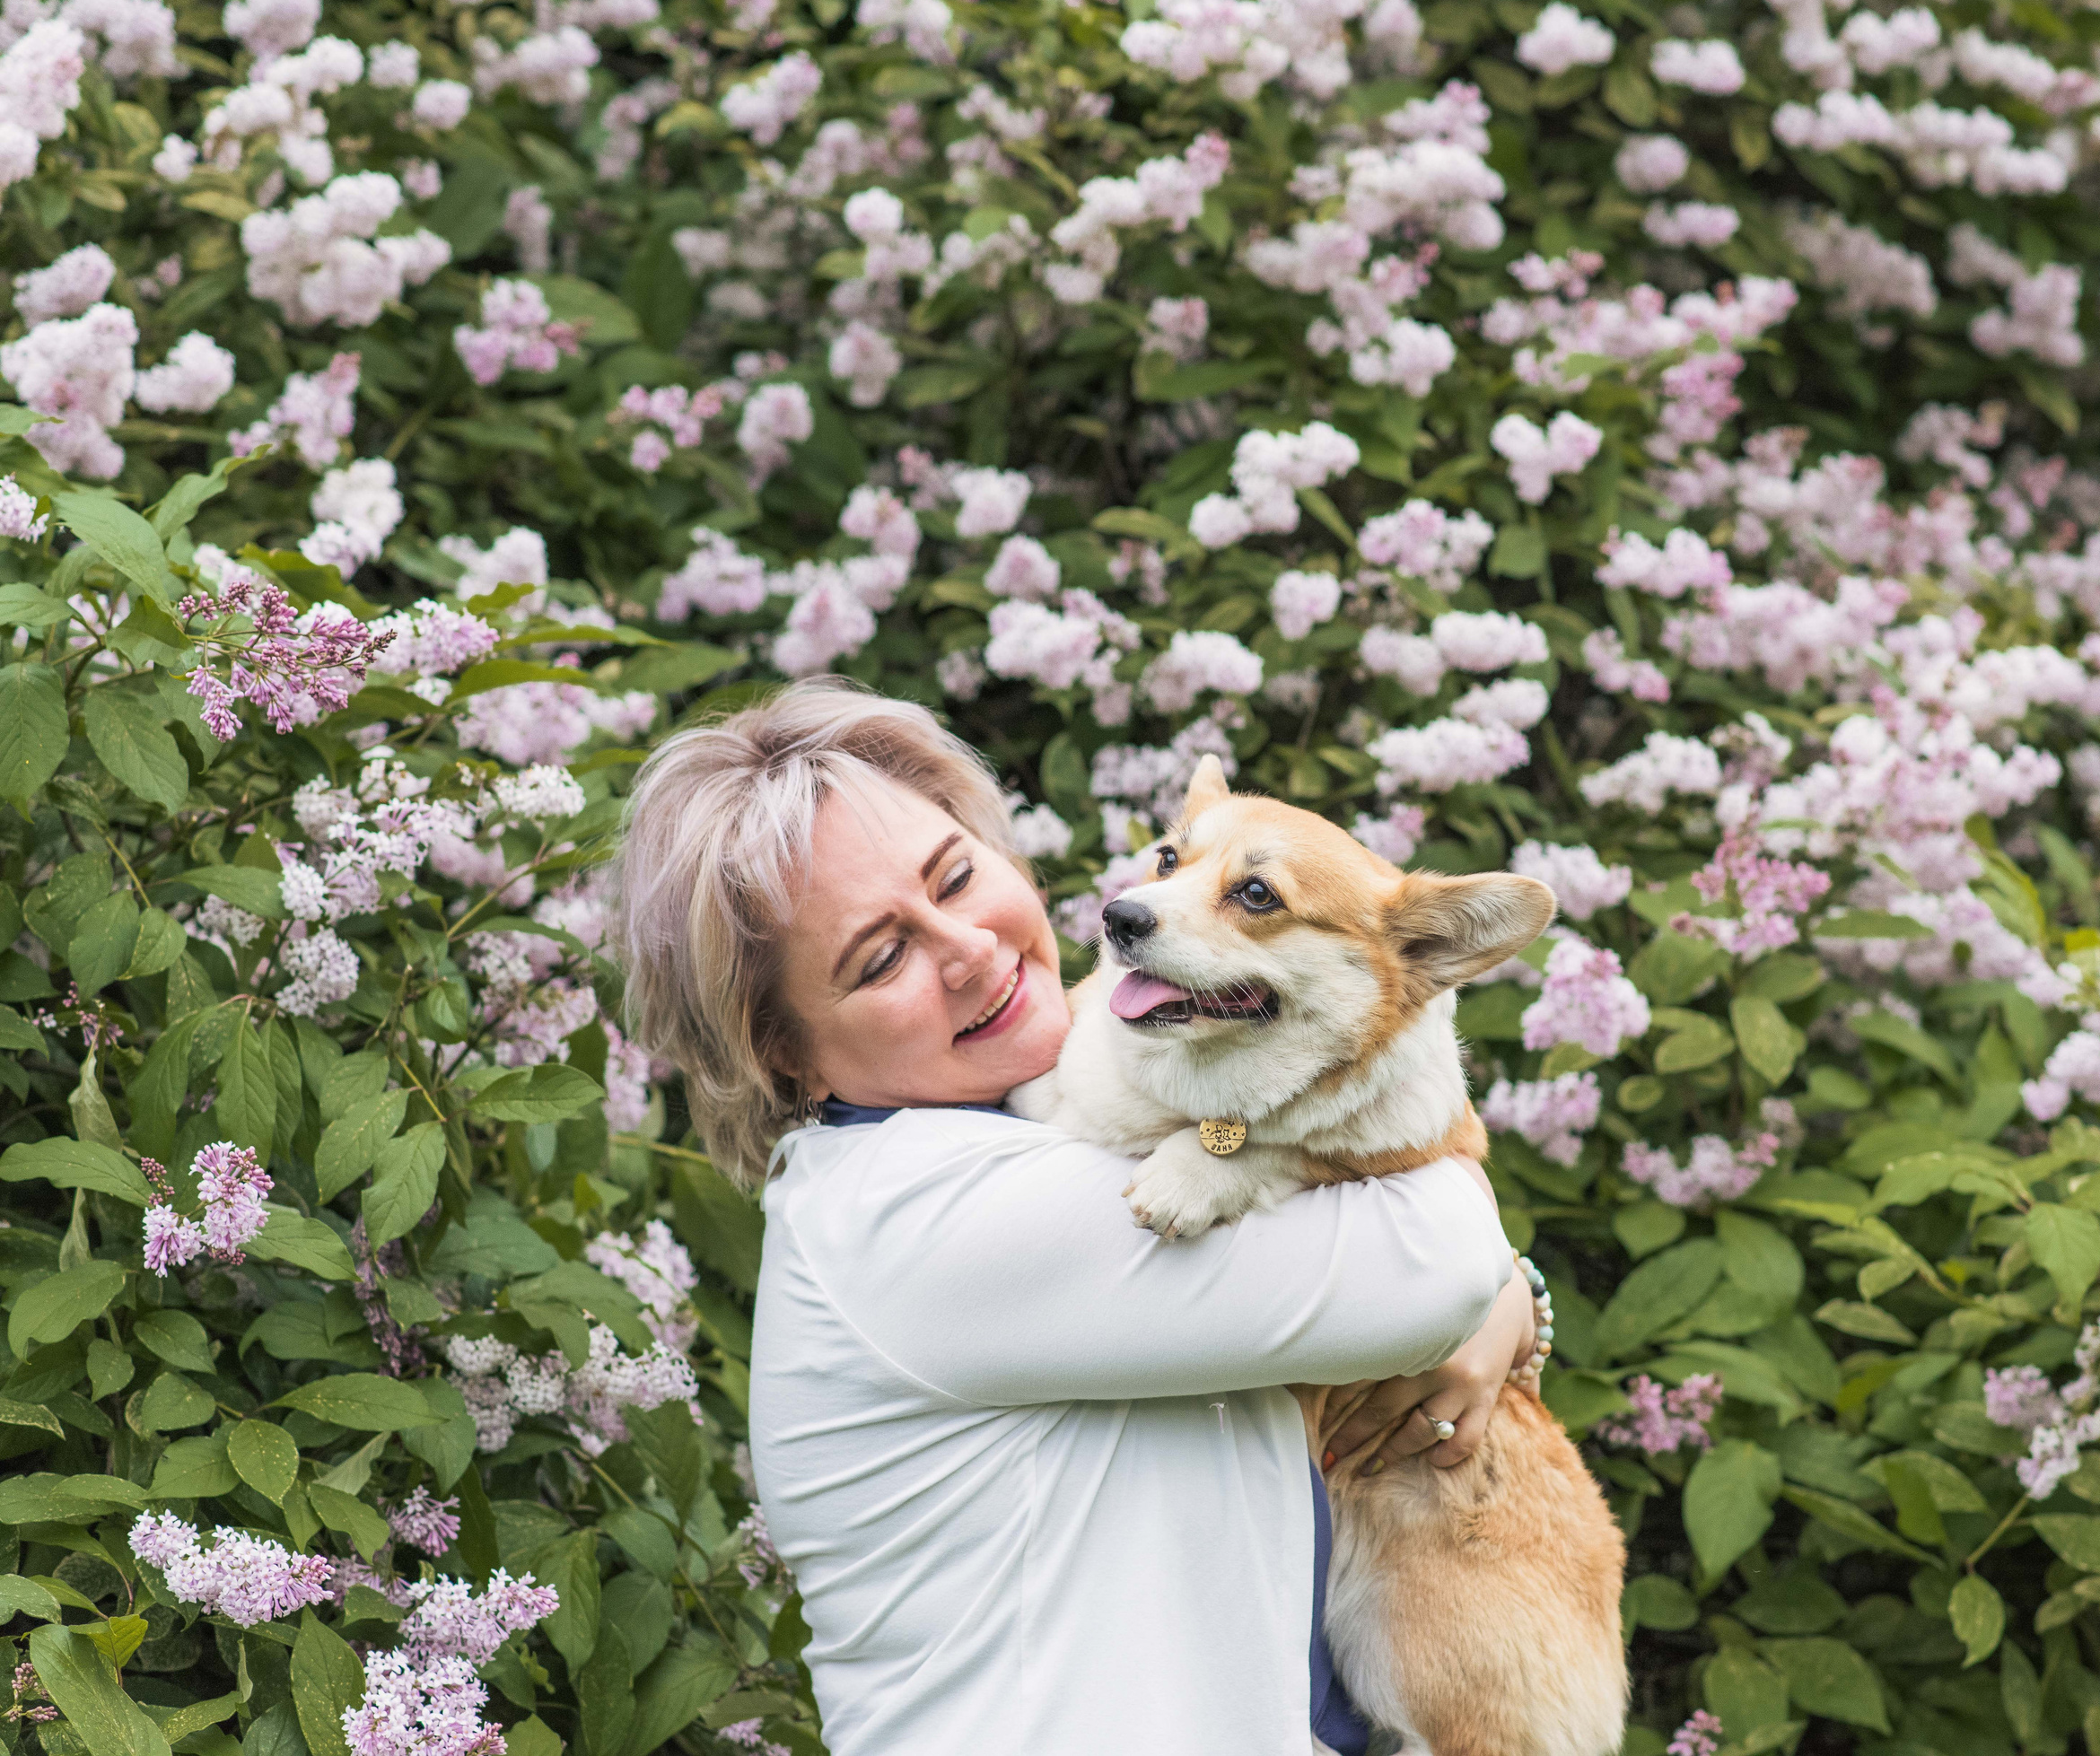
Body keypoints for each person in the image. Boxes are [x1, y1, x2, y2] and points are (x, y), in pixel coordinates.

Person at [613, 678, 1543, 1754]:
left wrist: (1500, 1286)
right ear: (779, 1051)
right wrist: (1497, 1282)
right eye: (880, 958)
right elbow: (1427, 1263)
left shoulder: (1060, 1115)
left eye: (956, 875)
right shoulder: (913, 1218)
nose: (964, 947)